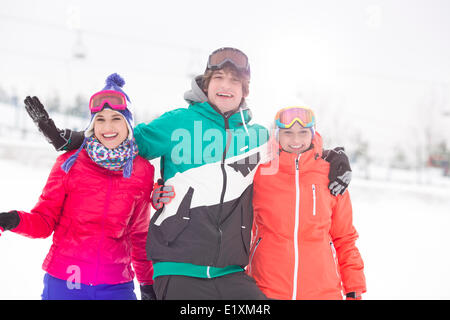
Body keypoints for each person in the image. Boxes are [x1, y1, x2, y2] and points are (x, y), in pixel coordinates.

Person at [22, 47, 352, 299]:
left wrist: (334, 156)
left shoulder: (257, 138)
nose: (226, 86)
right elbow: (118, 137)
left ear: (245, 90)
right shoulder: (177, 122)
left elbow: (297, 144)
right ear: (206, 84)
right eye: (219, 78)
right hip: (177, 263)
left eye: (235, 81)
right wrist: (74, 138)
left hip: (231, 269)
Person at [0, 73, 156, 300]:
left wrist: (146, 283)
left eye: (116, 119)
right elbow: (44, 221)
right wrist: (14, 220)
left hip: (116, 285)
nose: (107, 126)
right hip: (65, 281)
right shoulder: (69, 163)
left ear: (128, 124)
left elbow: (139, 234)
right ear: (92, 125)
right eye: (100, 119)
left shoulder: (141, 171)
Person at [246, 106, 366, 300]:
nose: (295, 140)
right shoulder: (260, 174)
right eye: (287, 133)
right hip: (265, 289)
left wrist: (354, 287)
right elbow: (240, 232)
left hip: (323, 292)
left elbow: (344, 239)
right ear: (277, 135)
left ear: (312, 134)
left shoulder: (332, 177)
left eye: (303, 133)